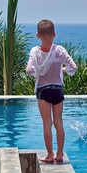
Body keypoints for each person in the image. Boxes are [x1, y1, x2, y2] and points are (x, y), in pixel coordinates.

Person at [26, 20, 77, 162]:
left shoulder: (35, 51)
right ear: (54, 34)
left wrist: (38, 71)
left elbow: (29, 70)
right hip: (58, 90)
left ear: (38, 35)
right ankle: (60, 154)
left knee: (47, 123)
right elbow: (73, 67)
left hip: (44, 90)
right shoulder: (60, 50)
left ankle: (49, 155)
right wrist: (63, 69)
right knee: (58, 122)